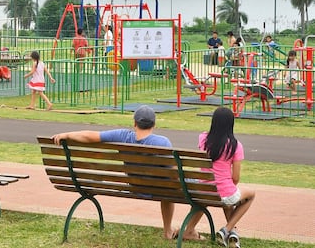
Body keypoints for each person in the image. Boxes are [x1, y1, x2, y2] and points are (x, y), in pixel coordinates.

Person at [51, 105, 178, 240]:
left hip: (135, 187)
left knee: (167, 186)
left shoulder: (122, 136)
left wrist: (67, 135)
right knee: (171, 188)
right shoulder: (162, 142)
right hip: (161, 190)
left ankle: (168, 230)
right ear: (154, 124)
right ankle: (168, 231)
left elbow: (90, 136)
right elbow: (174, 173)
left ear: (134, 123)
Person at [182, 107, 255, 247]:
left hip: (203, 191)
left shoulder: (203, 138)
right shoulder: (236, 146)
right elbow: (236, 178)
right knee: (250, 194)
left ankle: (230, 233)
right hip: (224, 193)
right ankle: (228, 229)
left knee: (224, 198)